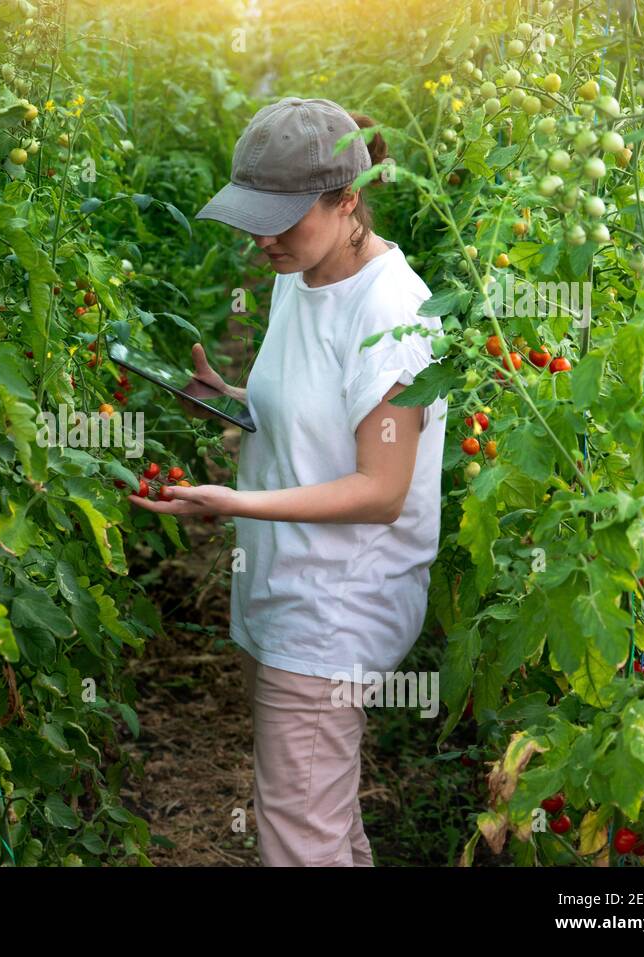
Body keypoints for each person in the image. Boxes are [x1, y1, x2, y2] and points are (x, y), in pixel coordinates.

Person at [128, 98, 446, 866]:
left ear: (347, 201)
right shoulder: (301, 270)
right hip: (286, 587)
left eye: (282, 219)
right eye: (253, 217)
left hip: (335, 608)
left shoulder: (391, 311)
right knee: (321, 823)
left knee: (300, 840)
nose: (262, 239)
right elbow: (319, 410)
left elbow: (381, 488)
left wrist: (237, 503)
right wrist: (236, 399)